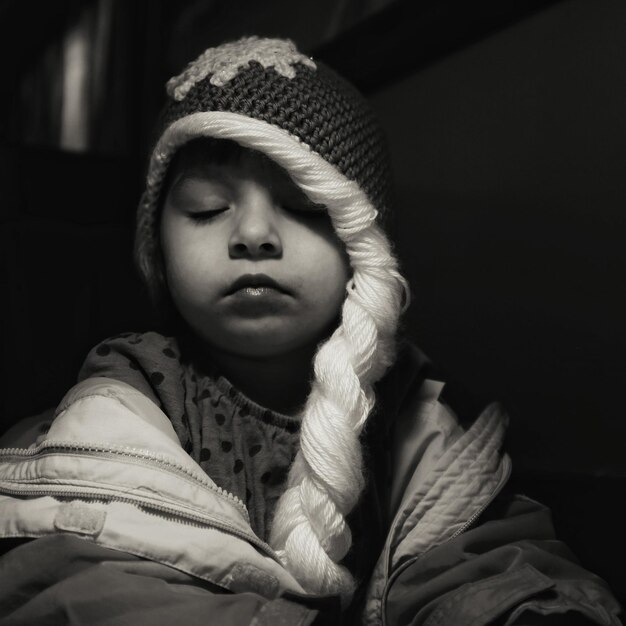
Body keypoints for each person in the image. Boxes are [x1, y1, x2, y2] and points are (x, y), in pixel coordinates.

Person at [0, 36, 621, 626]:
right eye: (207, 209)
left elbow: (479, 564)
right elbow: (83, 572)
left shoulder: (414, 412)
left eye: (301, 207)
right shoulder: (131, 394)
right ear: (158, 251)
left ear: (364, 252)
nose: (252, 235)